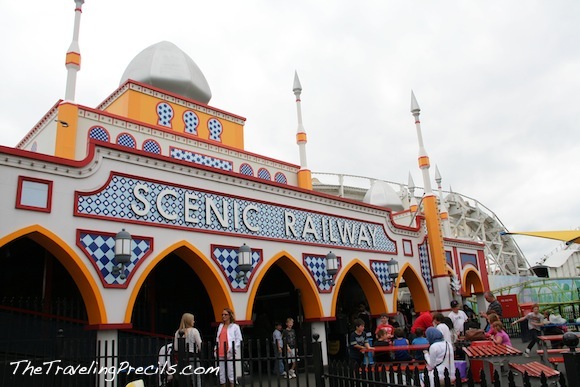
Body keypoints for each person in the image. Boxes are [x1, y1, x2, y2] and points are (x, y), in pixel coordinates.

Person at [215, 307, 243, 387]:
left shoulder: (235, 327)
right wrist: (216, 348)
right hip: (220, 350)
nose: (223, 316)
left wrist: (234, 348)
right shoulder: (220, 326)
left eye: (225, 314)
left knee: (231, 372)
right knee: (221, 372)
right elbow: (218, 338)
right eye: (222, 314)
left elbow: (239, 339)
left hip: (229, 351)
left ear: (230, 316)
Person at [174, 313, 202, 387]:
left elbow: (176, 348)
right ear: (189, 321)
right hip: (193, 356)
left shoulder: (178, 332)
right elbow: (200, 345)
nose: (194, 321)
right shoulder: (194, 331)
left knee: (184, 377)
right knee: (196, 377)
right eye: (193, 320)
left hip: (182, 358)